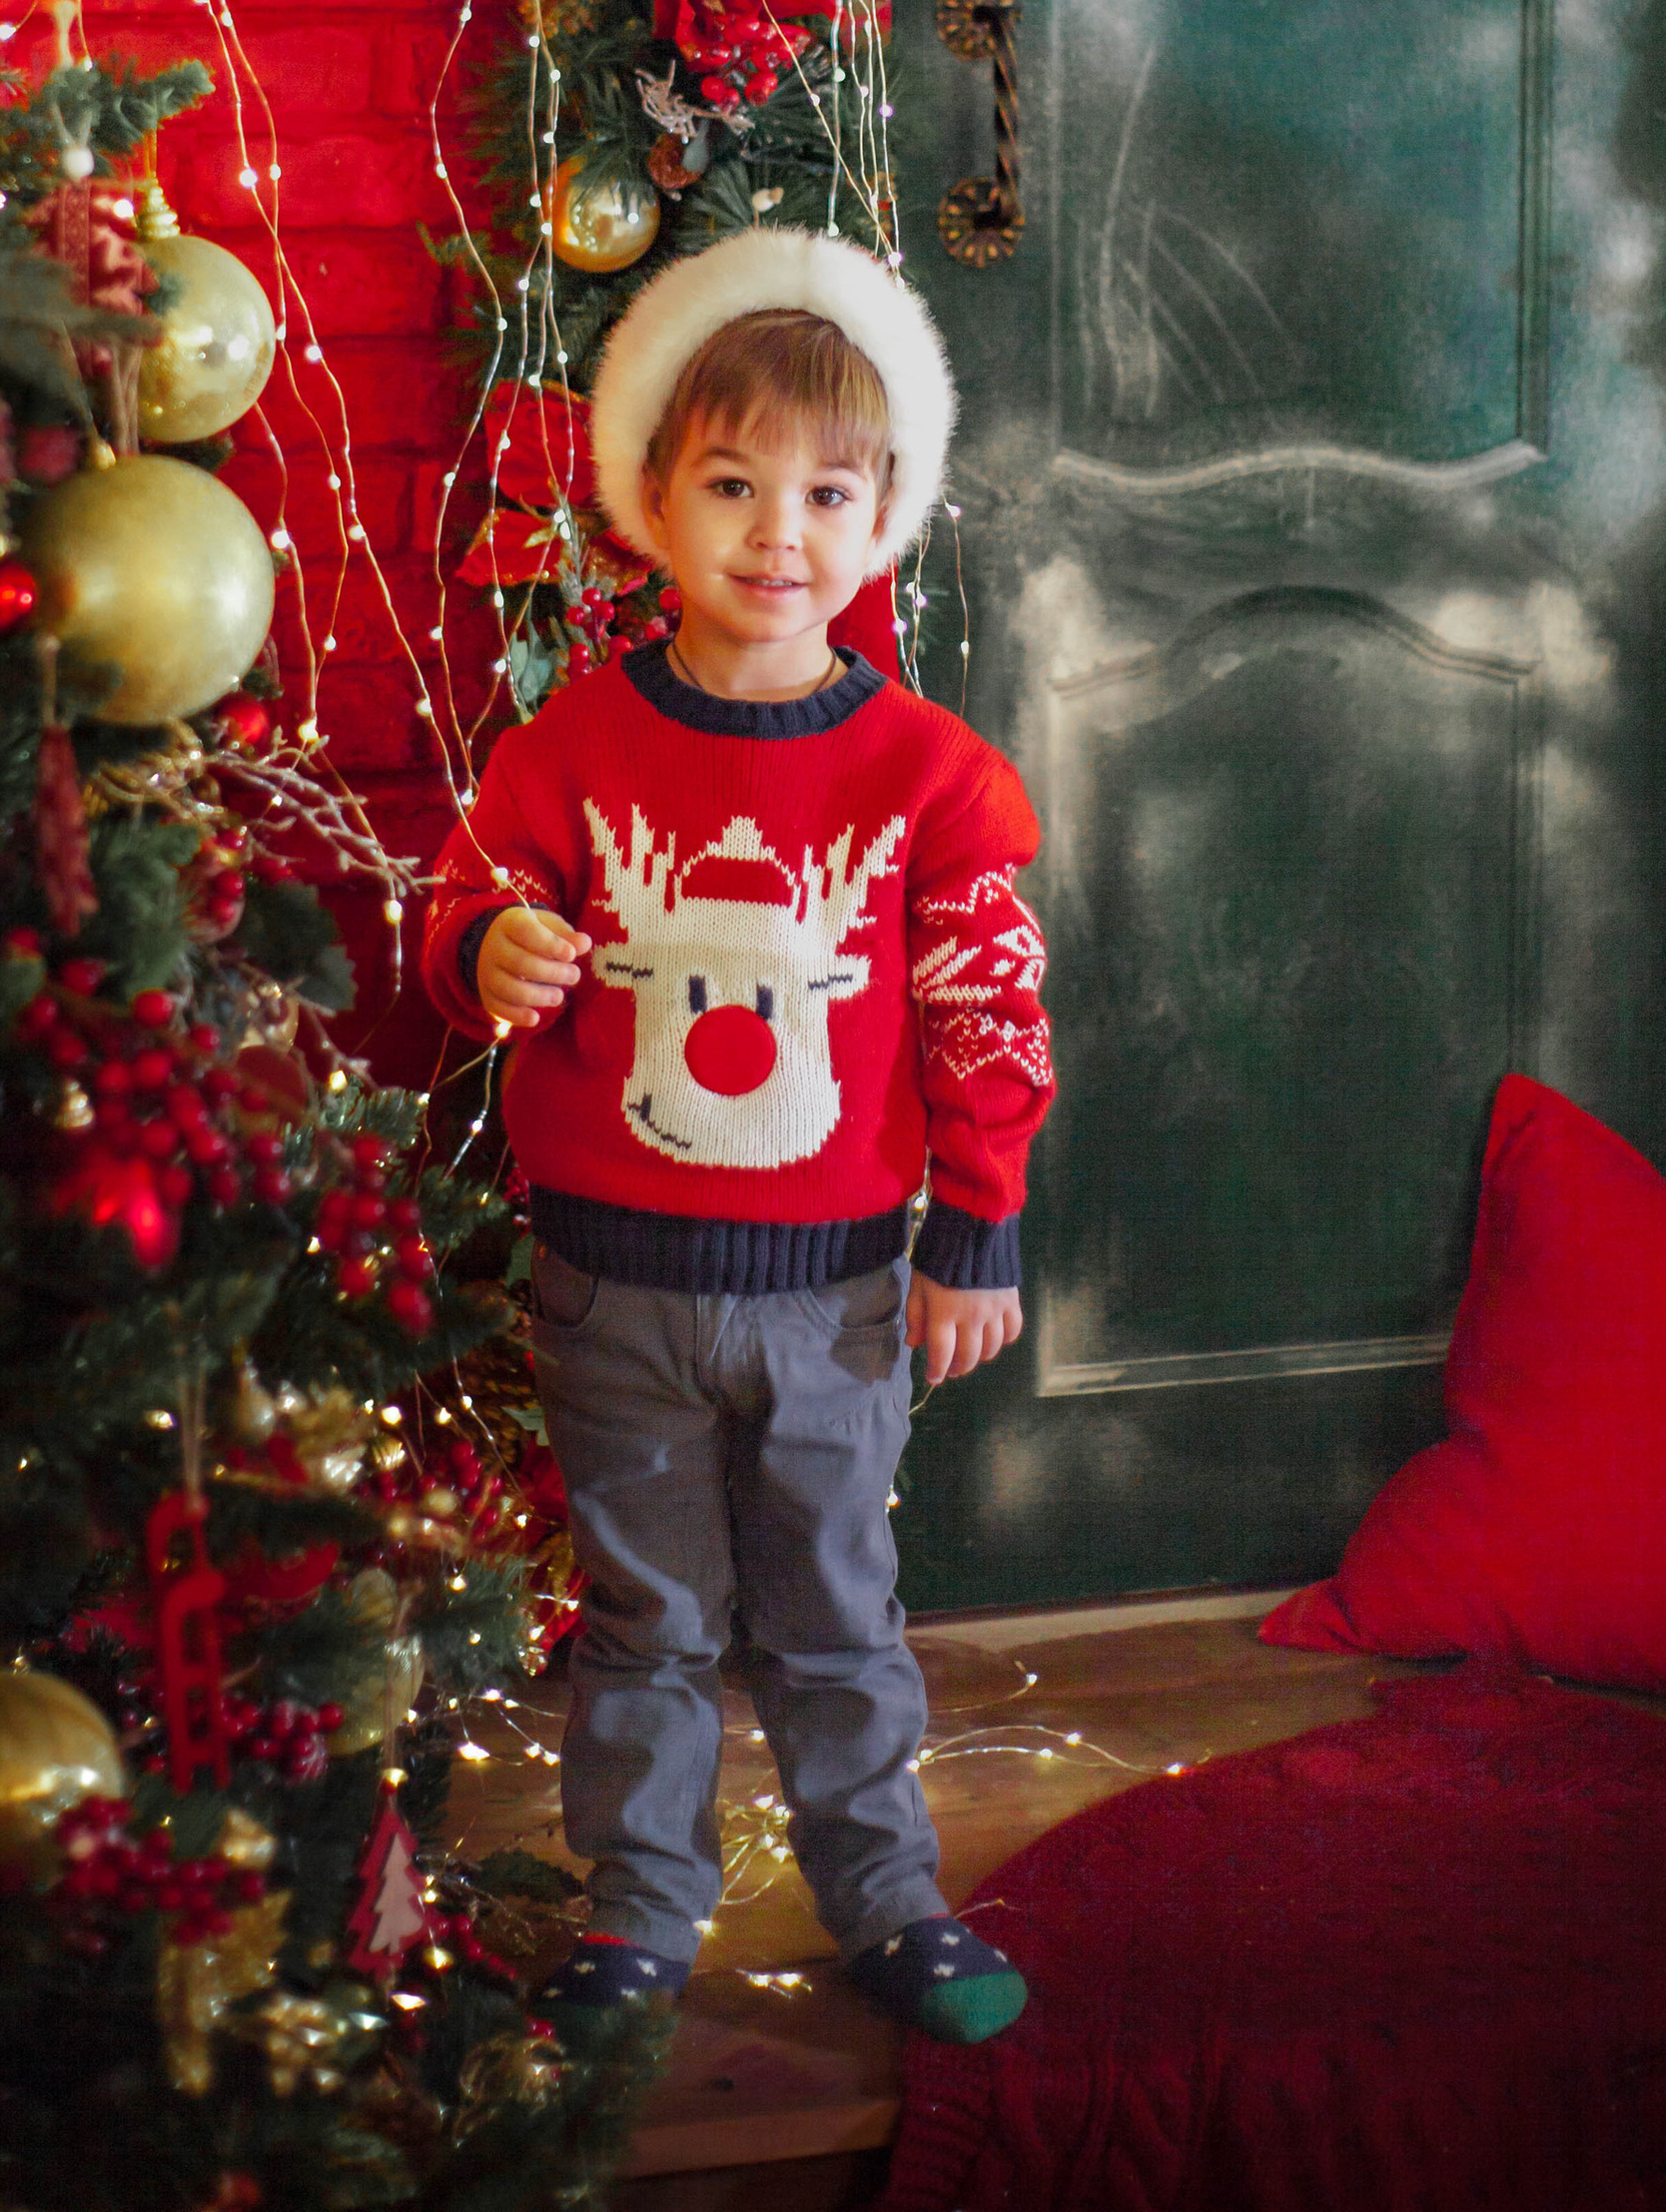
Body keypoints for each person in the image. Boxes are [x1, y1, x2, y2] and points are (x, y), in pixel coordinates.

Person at [421, 227, 1055, 2041]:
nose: (780, 533)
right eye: (732, 484)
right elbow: (464, 903)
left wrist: (977, 1222)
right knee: (645, 1626)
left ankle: (885, 1895)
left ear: (883, 519)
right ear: (652, 505)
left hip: (836, 1296)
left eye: (827, 493)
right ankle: (639, 1915)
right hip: (611, 1287)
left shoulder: (931, 775)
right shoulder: (567, 749)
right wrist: (491, 945)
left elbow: (985, 1010)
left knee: (839, 1619)